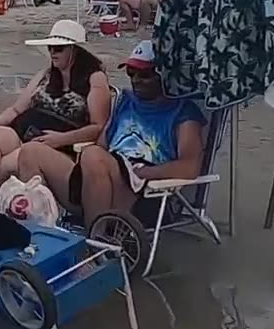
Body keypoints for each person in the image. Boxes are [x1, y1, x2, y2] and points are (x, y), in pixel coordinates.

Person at [15, 41, 204, 225]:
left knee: (93, 155)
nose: (136, 80)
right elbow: (103, 143)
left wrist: (145, 173)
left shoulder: (182, 112)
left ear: (164, 75)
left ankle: (96, 240)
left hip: (141, 193)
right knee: (31, 151)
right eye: (131, 73)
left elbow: (190, 166)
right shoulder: (125, 101)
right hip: (101, 176)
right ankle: (38, 231)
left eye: (144, 74)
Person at [0, 20, 112, 186]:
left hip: (59, 145)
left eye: (58, 48)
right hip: (24, 132)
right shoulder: (47, 74)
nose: (52, 52)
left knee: (4, 165)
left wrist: (62, 139)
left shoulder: (94, 78)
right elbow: (16, 109)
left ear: (75, 49)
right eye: (50, 47)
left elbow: (99, 126)